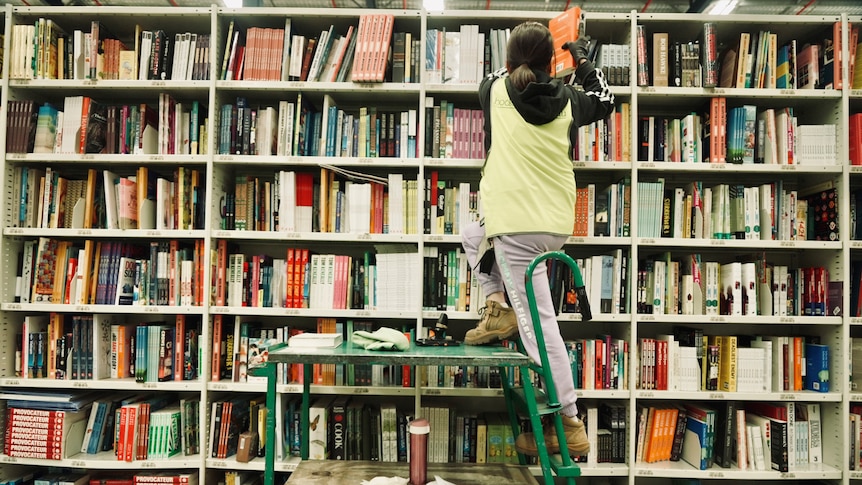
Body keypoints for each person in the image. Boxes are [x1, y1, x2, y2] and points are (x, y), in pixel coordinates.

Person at [460, 21, 614, 457]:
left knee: (541, 330)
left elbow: (498, 76)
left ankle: (569, 421)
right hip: (552, 224)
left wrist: (526, 64)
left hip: (514, 225)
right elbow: (607, 98)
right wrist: (581, 59)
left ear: (509, 61)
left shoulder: (493, 91)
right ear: (554, 64)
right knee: (472, 233)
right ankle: (498, 308)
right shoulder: (570, 100)